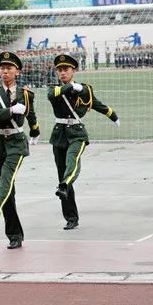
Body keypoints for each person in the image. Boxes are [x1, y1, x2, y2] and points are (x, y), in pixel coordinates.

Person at [47, 54, 120, 230]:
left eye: (66, 69)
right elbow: (53, 94)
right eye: (60, 70)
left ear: (73, 71)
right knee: (62, 175)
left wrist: (113, 116)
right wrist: (71, 87)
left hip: (77, 134)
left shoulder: (84, 90)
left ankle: (64, 184)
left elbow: (97, 104)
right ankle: (71, 217)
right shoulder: (54, 88)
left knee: (72, 162)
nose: (63, 73)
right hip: (59, 135)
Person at [0, 52, 40, 249]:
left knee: (6, 179)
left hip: (16, 142)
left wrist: (35, 132)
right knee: (7, 190)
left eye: (9, 68)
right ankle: (15, 235)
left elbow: (31, 115)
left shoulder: (25, 94)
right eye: (2, 68)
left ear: (17, 71)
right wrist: (9, 111)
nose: (5, 71)